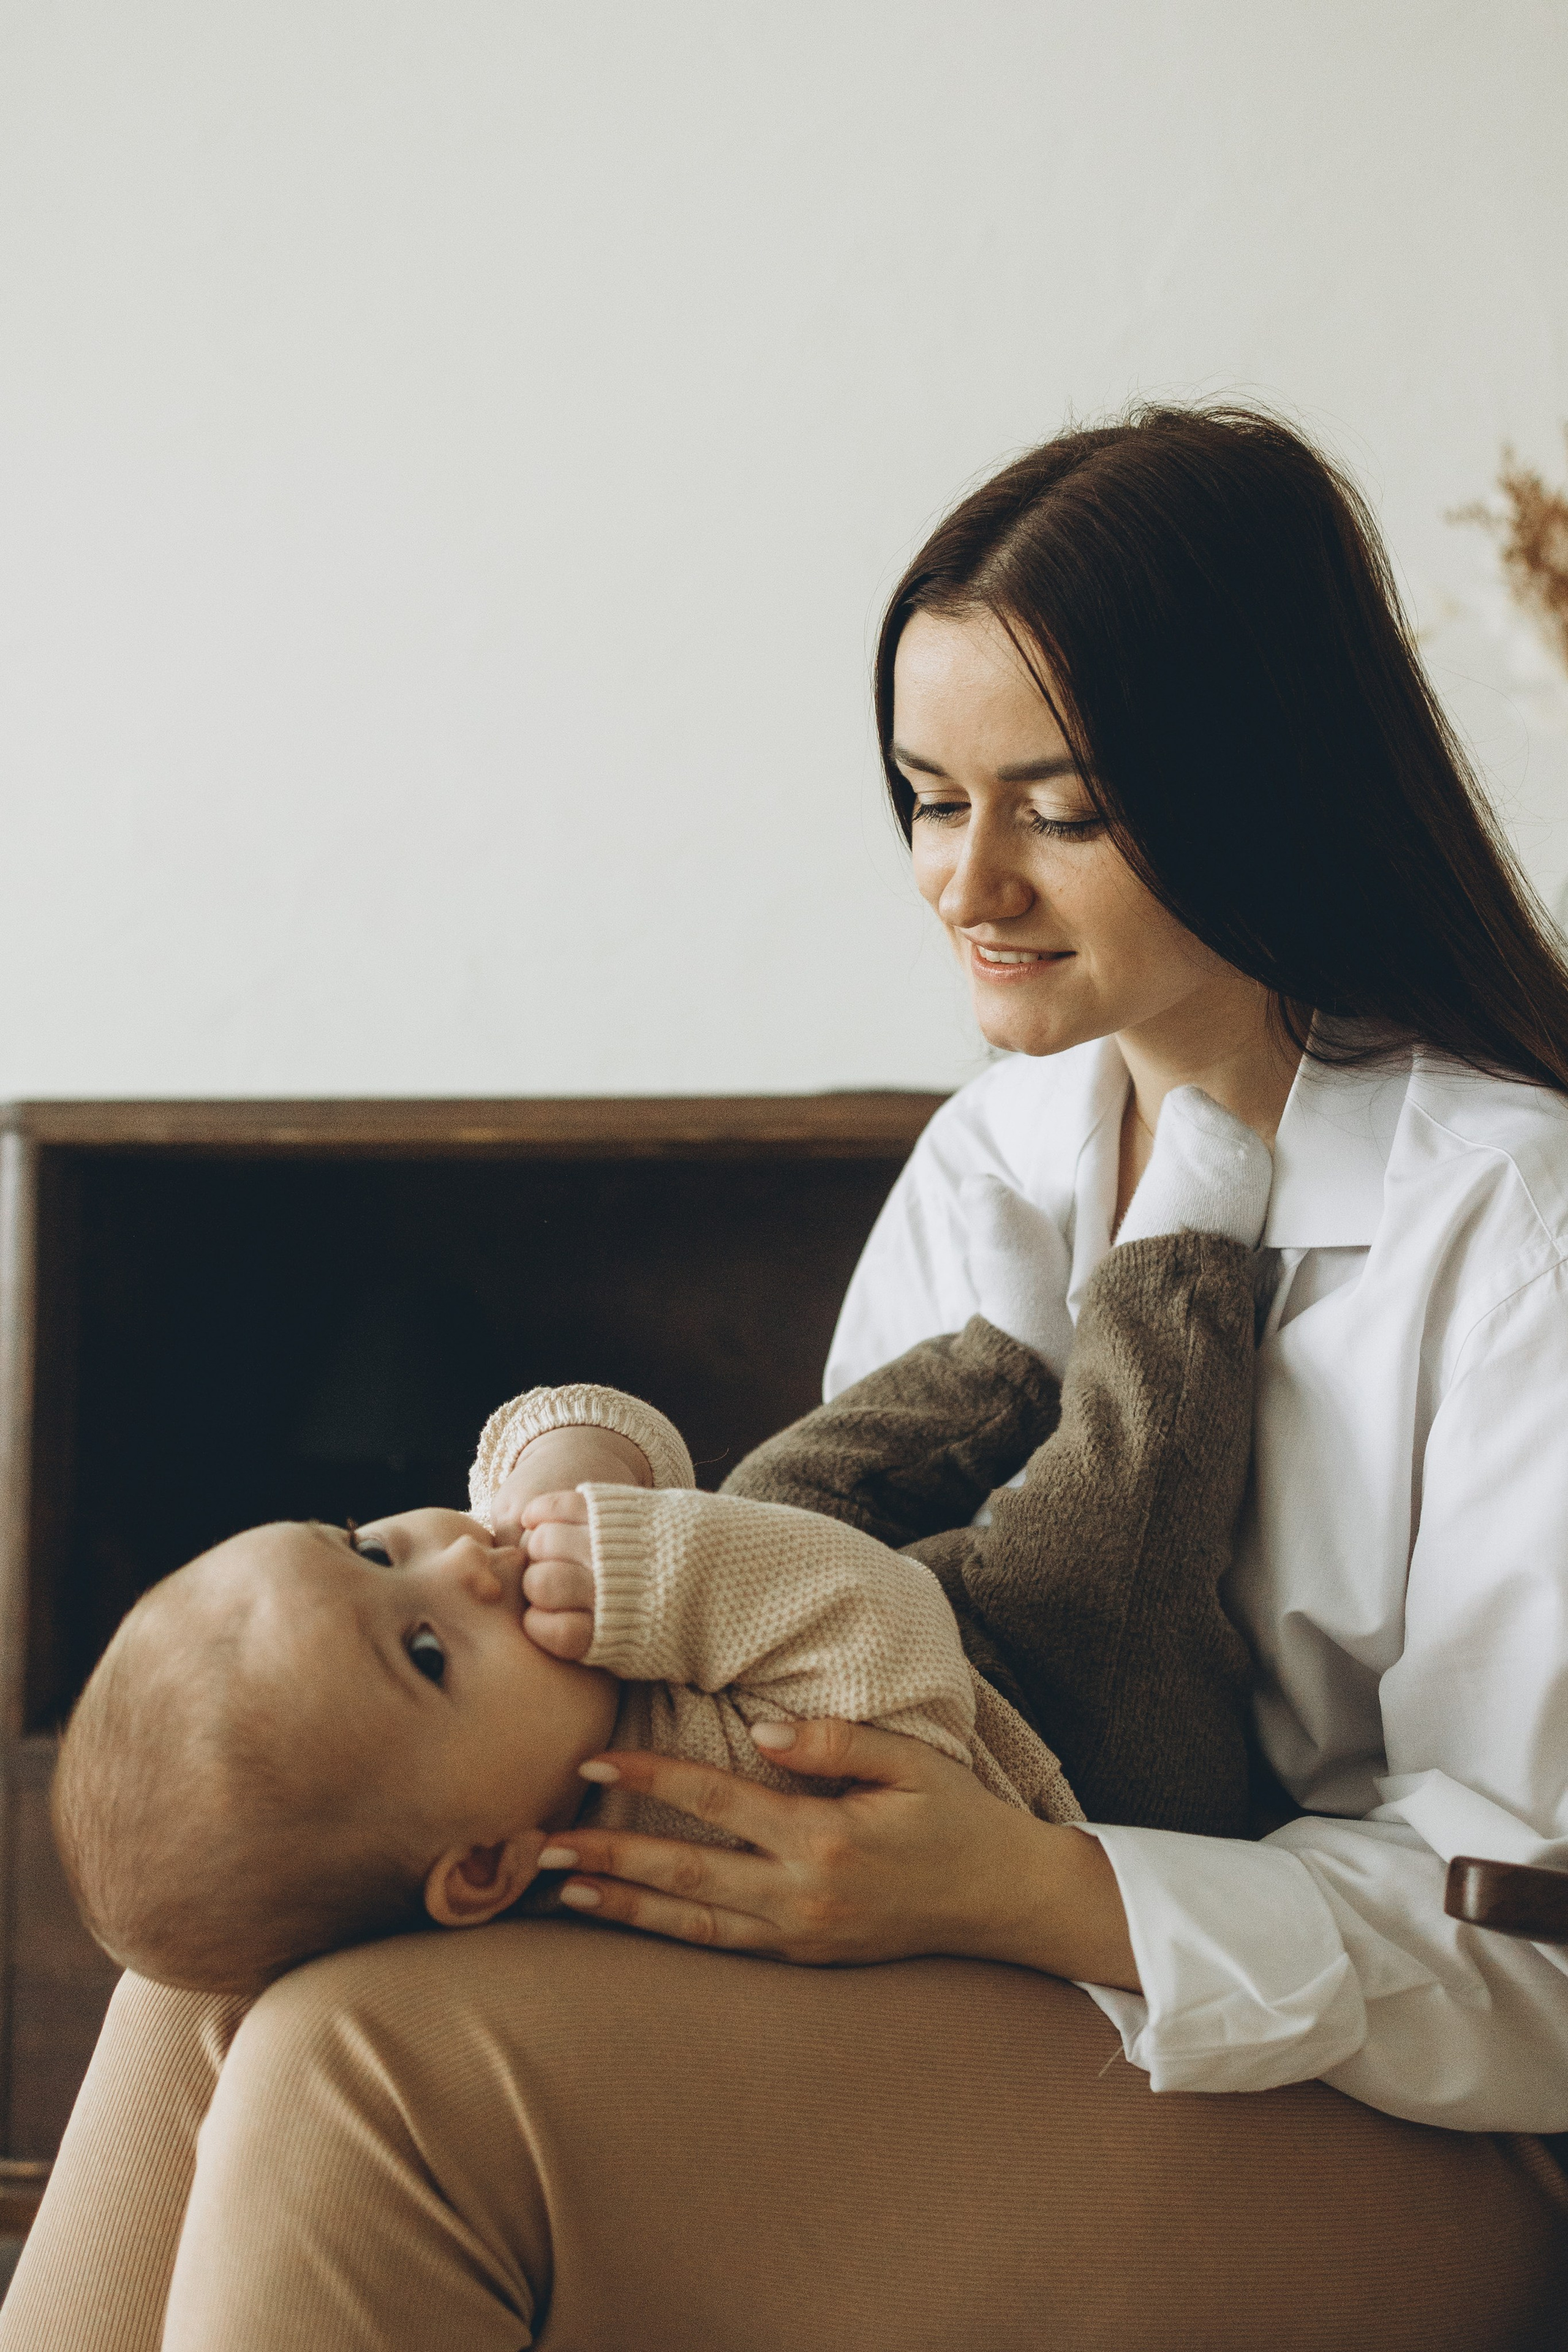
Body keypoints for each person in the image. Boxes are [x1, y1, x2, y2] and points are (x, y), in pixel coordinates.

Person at [6, 403, 1568, 2351]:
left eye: (1058, 808)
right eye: (928, 796)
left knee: (364, 2068)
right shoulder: (998, 1157)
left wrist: (1029, 1892)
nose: (964, 882)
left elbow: (1542, 1967)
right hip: (972, 1975)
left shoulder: (1511, 1225)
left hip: (1413, 2110)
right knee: (239, 1932)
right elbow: (817, 1597)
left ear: (1262, 785)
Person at [50, 1091, 1268, 1995]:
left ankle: (1002, 1365)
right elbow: (877, 1622)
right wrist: (657, 1573)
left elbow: (636, 1453)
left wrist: (560, 1467)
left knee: (774, 1484)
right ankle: (1174, 1279)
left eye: (368, 1547)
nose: (458, 1562)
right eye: (424, 1651)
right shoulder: (687, 1812)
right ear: (484, 1866)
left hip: (914, 1638)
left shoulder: (532, 1700)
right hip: (1078, 1742)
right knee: (1088, 1545)